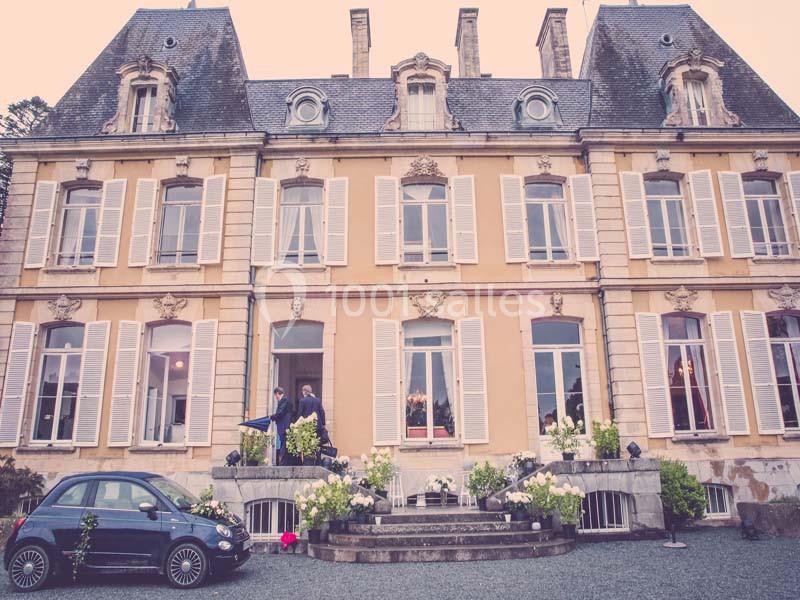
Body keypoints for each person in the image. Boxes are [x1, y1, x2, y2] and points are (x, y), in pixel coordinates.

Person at [269, 387, 292, 466]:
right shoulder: (286, 400)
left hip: (283, 426)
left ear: (278, 393)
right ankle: (283, 463)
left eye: (276, 395)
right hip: (284, 426)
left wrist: (272, 417)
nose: (276, 398)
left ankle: (282, 464)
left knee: (283, 445)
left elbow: (280, 413)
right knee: (284, 445)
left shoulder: (284, 400)